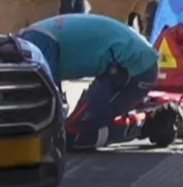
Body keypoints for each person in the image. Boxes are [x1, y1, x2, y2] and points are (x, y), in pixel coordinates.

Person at [13, 13, 166, 150]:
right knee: (74, 125)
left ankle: (152, 122)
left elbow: (52, 99)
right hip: (122, 64)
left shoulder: (34, 45)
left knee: (73, 136)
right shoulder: (32, 37)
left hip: (135, 67)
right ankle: (139, 108)